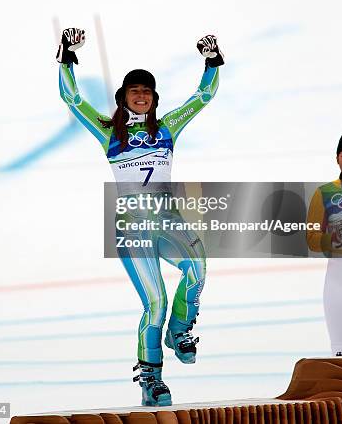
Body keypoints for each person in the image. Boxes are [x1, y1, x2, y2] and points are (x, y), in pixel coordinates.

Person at [56, 28, 224, 406]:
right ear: (123, 98)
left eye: (147, 91)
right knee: (156, 303)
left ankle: (179, 333)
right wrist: (66, 55)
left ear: (154, 98)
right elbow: (72, 97)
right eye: (135, 91)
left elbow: (203, 97)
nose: (142, 96)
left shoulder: (167, 128)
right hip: (132, 229)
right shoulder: (107, 132)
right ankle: (151, 378)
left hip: (168, 221)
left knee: (198, 271)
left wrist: (212, 60)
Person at [307, 130, 342, 357]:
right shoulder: (324, 193)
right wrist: (339, 237)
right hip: (339, 281)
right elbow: (312, 240)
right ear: (337, 158)